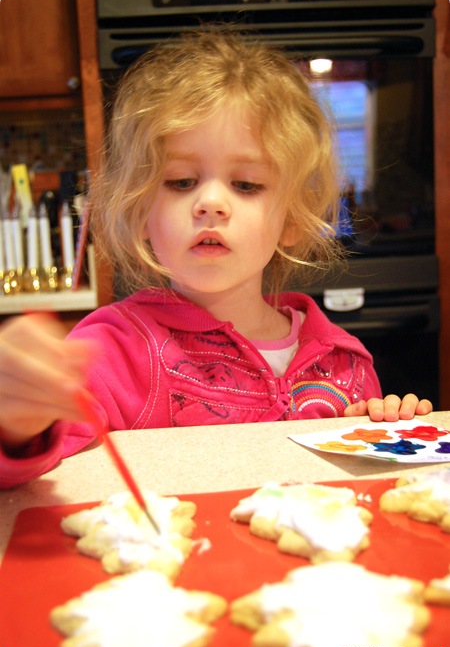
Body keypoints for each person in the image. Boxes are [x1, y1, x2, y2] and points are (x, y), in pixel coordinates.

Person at [0, 30, 432, 489]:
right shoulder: (113, 353)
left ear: (291, 218)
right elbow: (23, 462)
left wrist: (388, 426)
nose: (210, 203)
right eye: (181, 181)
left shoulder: (345, 363)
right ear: (142, 211)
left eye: (246, 185)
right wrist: (17, 418)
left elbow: (366, 495)